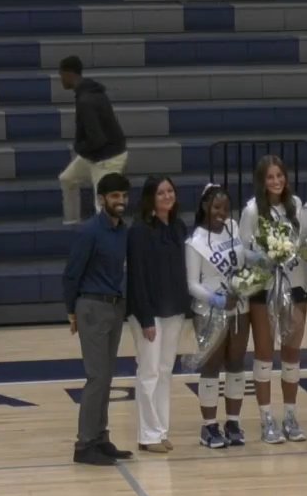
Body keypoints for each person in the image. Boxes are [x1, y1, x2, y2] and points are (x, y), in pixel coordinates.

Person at [239, 154, 307, 444]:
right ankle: (266, 418)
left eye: (280, 176)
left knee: (292, 355)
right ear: (262, 181)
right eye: (270, 177)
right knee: (265, 355)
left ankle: (290, 415)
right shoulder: (252, 210)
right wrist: (265, 257)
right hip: (264, 290)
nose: (276, 181)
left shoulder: (297, 206)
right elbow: (243, 250)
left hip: (296, 287)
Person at [186, 184, 266, 449]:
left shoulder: (233, 227)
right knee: (212, 365)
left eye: (224, 207)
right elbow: (192, 284)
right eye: (215, 207)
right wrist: (217, 300)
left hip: (239, 307)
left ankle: (233, 421)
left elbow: (243, 256)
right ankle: (209, 426)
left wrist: (261, 260)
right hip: (210, 311)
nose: (221, 212)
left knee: (235, 363)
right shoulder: (195, 241)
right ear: (205, 208)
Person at [63, 173, 132, 467]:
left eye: (124, 196)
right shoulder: (90, 231)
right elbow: (71, 273)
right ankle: (84, 443)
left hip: (115, 307)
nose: (121, 201)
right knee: (96, 376)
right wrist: (72, 311)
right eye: (115, 196)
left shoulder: (122, 231)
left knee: (107, 375)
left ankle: (101, 437)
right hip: (92, 305)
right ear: (102, 199)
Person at [126, 175, 190, 454]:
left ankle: (161, 430)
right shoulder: (140, 231)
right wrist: (145, 317)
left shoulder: (178, 226)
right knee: (149, 371)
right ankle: (148, 434)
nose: (167, 196)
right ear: (150, 197)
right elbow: (137, 276)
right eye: (161, 192)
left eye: (170, 191)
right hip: (148, 312)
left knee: (165, 371)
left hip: (174, 310)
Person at [57, 57, 128, 226]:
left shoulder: (86, 100)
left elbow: (97, 140)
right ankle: (72, 223)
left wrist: (79, 147)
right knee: (67, 179)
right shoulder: (90, 91)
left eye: (61, 75)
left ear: (68, 74)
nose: (60, 79)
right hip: (97, 154)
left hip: (107, 159)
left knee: (104, 207)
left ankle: (112, 245)